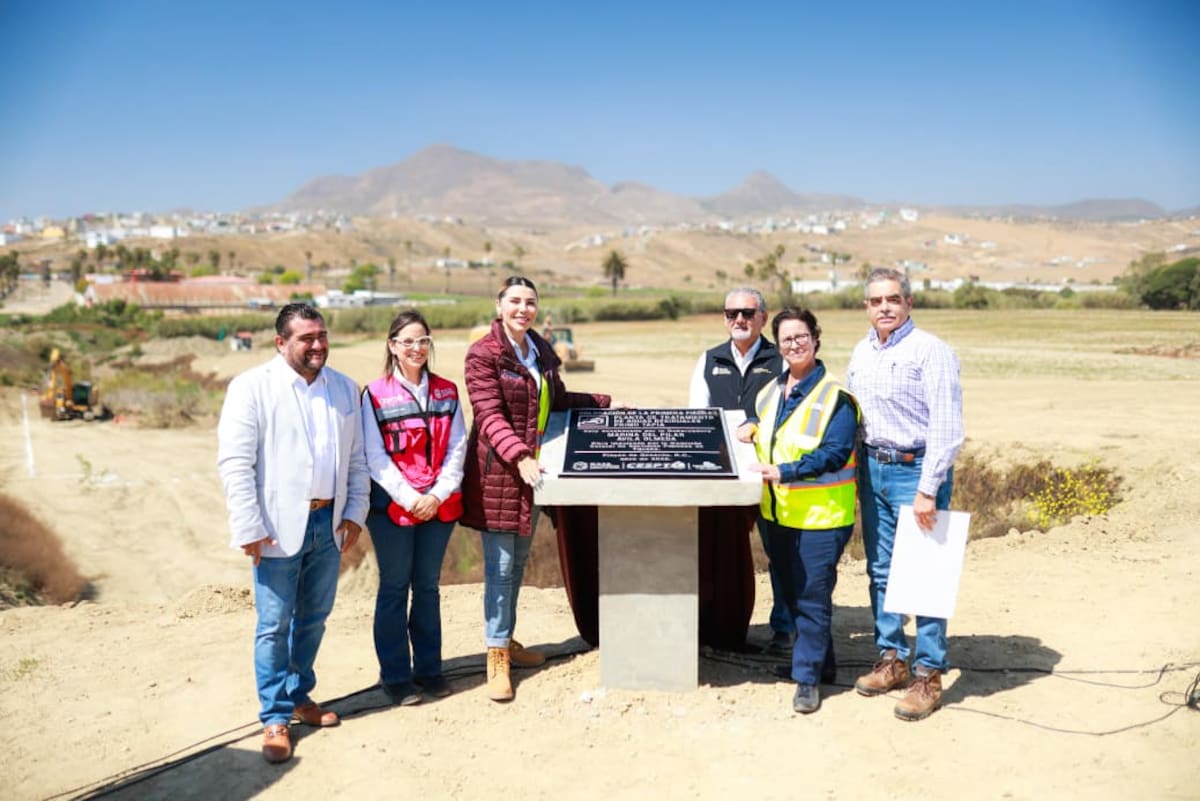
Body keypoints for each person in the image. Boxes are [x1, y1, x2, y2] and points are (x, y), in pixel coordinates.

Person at [217, 303, 370, 764]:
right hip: (276, 527)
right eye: (307, 338)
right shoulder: (251, 388)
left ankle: (300, 695)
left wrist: (356, 513)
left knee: (315, 616)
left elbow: (357, 460)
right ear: (280, 342)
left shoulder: (344, 388)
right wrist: (248, 525)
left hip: (328, 521)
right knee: (273, 623)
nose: (318, 345)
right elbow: (235, 464)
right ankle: (275, 716)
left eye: (322, 335)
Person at [461, 276, 611, 702]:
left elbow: (557, 401)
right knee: (501, 569)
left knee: (518, 564)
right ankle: (496, 657)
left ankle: (506, 640)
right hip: (502, 474)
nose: (522, 309)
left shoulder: (540, 353)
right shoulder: (483, 355)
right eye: (514, 301)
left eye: (530, 302)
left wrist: (606, 404)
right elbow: (489, 416)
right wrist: (521, 456)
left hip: (533, 476)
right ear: (499, 305)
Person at [847, 267, 964, 721]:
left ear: (909, 303)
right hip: (872, 468)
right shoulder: (861, 352)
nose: (884, 308)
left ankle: (928, 674)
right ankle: (892, 658)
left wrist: (928, 488)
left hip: (915, 470)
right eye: (875, 301)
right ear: (866, 307)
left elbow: (948, 427)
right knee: (880, 570)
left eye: (892, 299)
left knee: (927, 575)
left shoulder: (930, 351)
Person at [736, 307, 859, 714]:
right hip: (777, 515)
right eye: (786, 339)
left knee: (811, 596)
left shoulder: (836, 396)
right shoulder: (770, 391)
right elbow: (767, 429)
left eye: (801, 336)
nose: (794, 344)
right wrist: (750, 428)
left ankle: (805, 680)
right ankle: (822, 666)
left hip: (820, 518)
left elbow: (835, 452)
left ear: (816, 338)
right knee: (791, 595)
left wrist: (785, 470)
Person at [361, 310, 467, 706]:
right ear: (392, 346)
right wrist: (411, 498)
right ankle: (395, 677)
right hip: (392, 508)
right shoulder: (374, 394)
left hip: (439, 505)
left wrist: (436, 495)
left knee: (427, 588)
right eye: (407, 341)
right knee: (394, 587)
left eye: (423, 340)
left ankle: (429, 670)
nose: (416, 348)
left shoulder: (447, 391)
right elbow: (375, 456)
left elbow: (458, 446)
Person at [687, 288, 786, 653]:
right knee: (718, 553)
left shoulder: (781, 359)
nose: (739, 320)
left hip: (772, 472)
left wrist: (756, 423)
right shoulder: (708, 360)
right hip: (724, 473)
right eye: (731, 314)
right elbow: (699, 416)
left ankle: (784, 630)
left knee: (780, 552)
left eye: (747, 312)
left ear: (763, 317)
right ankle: (713, 629)